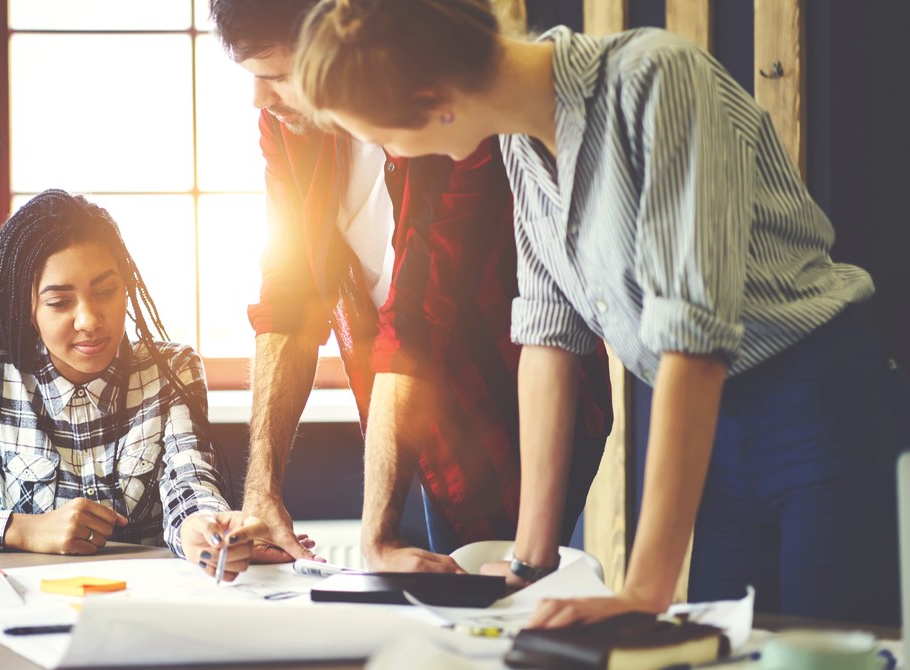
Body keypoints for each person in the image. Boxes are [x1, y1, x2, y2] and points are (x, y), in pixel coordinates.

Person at [293, 0, 910, 625]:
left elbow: (692, 340)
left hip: (818, 412)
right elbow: (547, 331)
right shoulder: (521, 142)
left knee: (837, 651)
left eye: (384, 139)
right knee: (725, 653)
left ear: (437, 100)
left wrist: (643, 592)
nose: (392, 154)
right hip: (720, 436)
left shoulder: (655, 81)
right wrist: (528, 566)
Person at [209, 0, 611, 571]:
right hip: (407, 414)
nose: (260, 99)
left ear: (337, 39)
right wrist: (261, 490)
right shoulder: (286, 124)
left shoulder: (443, 113)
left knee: (490, 616)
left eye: (276, 75)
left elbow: (419, 319)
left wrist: (377, 541)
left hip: (506, 408)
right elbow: (289, 296)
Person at [0, 190, 265, 580]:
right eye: (60, 302)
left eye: (105, 291)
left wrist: (203, 530)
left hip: (144, 613)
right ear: (28, 309)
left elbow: (189, 481)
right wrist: (20, 530)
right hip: (33, 614)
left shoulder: (172, 370)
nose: (89, 319)